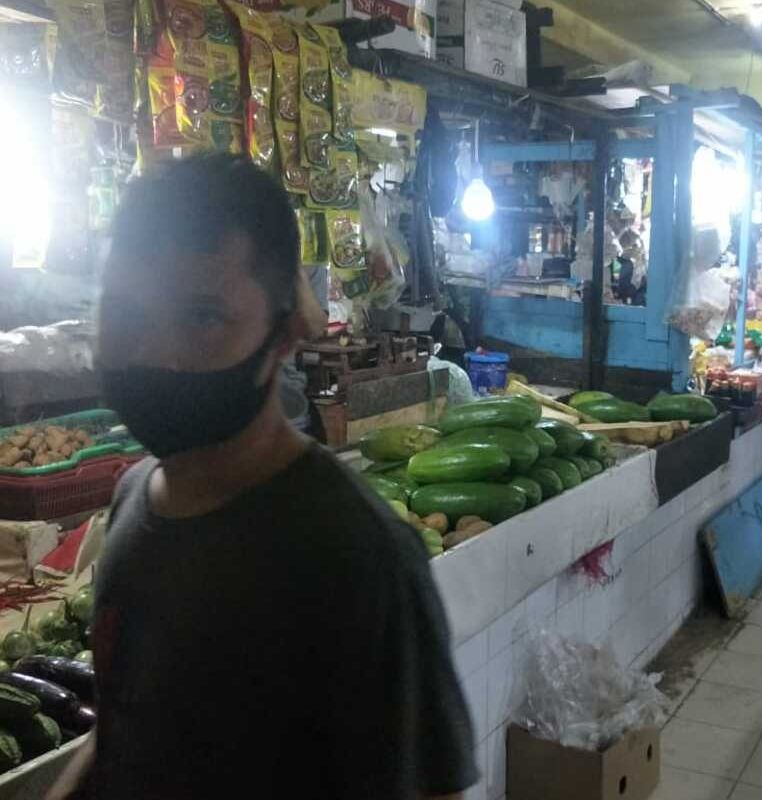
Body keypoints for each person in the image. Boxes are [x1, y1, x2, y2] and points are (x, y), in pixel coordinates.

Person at [49, 154, 477, 799]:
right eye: (128, 314)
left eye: (202, 317)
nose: (154, 352)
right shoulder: (135, 498)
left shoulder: (357, 560)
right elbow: (124, 729)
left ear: (282, 337)